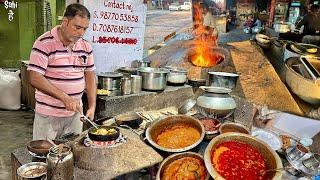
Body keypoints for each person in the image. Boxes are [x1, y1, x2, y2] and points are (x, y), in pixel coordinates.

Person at [28, 3, 96, 140]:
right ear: (65, 22)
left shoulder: (85, 46)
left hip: (76, 115)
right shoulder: (44, 43)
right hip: (49, 115)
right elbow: (34, 77)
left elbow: (90, 76)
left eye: (85, 29)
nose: (81, 33)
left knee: (71, 154)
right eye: (77, 27)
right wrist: (64, 97)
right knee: (45, 155)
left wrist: (92, 106)